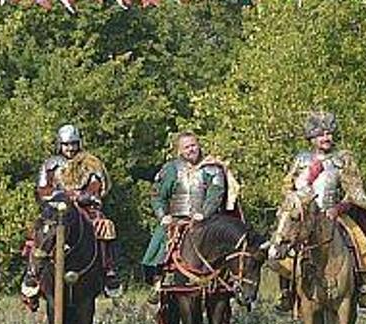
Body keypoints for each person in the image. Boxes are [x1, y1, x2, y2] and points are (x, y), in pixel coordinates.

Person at [279, 111, 366, 317]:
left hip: (333, 214)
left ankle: (362, 289)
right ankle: (286, 292)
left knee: (357, 241)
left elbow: (354, 191)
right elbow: (286, 185)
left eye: (328, 133)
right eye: (321, 134)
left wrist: (338, 209)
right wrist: (293, 198)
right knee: (283, 240)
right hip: (305, 215)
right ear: (312, 138)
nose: (326, 138)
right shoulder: (301, 160)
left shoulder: (343, 159)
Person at [26, 124, 121, 298]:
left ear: (79, 143)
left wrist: (82, 196)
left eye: (73, 144)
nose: (70, 148)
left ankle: (109, 271)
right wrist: (60, 196)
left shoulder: (91, 163)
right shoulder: (50, 165)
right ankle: (33, 273)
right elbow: (42, 189)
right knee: (40, 230)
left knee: (105, 226)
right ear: (59, 145)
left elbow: (97, 187)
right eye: (66, 144)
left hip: (85, 208)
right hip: (57, 208)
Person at [139, 131, 236, 303]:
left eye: (193, 145)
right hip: (177, 218)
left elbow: (216, 194)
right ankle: (158, 282)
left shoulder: (213, 168)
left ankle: (236, 280)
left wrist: (204, 214)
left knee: (231, 241)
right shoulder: (171, 169)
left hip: (207, 219)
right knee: (161, 240)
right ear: (180, 150)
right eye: (187, 147)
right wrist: (163, 216)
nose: (191, 150)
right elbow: (157, 195)